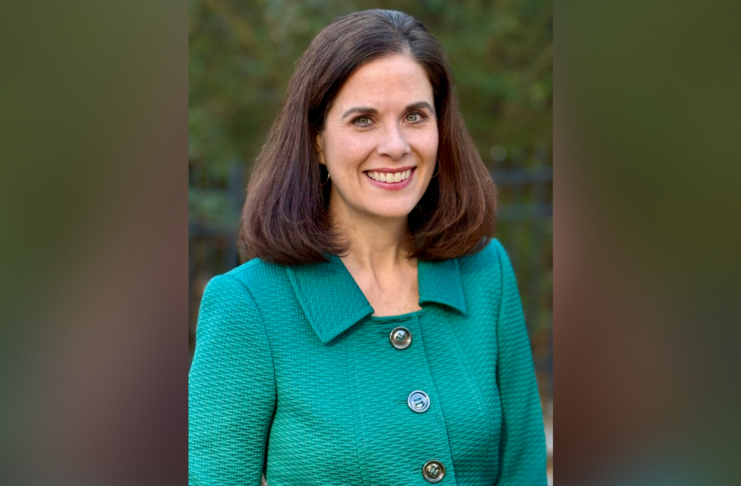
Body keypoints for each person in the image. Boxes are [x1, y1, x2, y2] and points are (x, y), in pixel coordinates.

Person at [189, 9, 546, 486]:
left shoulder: (487, 273)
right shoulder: (248, 307)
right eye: (363, 120)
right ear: (317, 140)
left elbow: (521, 467)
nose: (395, 145)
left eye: (415, 116)